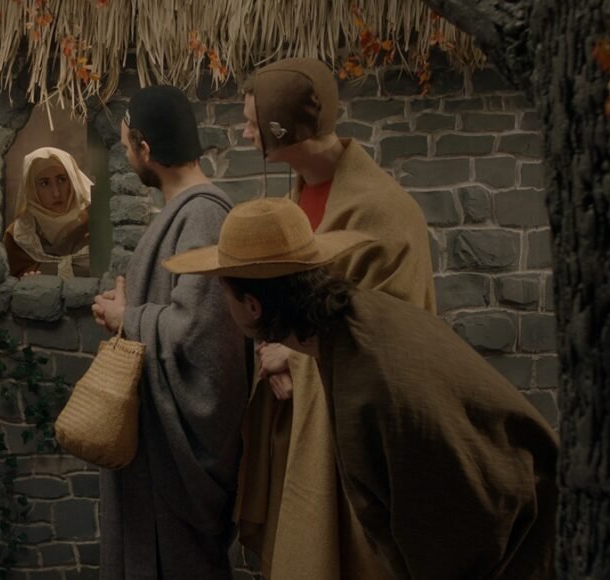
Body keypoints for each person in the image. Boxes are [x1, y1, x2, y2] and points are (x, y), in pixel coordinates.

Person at [164, 197, 559, 580]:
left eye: (225, 293)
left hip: (524, 554)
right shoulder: (357, 323)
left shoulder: (371, 382)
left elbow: (452, 540)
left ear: (253, 307)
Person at [236, 57, 436, 578]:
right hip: (300, 424)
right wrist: (272, 349)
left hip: (354, 445)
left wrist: (294, 356)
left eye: (254, 124)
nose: (244, 130)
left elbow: (399, 338)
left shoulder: (384, 213)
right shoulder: (296, 196)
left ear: (282, 130)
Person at [90, 85, 249, 579]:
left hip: (181, 463)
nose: (125, 155)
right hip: (158, 449)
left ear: (146, 148)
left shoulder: (203, 214)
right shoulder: (188, 210)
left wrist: (128, 319)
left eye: (125, 146)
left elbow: (201, 335)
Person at [3, 146, 92, 278]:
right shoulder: (18, 236)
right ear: (32, 189)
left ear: (72, 181)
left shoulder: (95, 222)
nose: (56, 193)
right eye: (44, 183)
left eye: (62, 180)